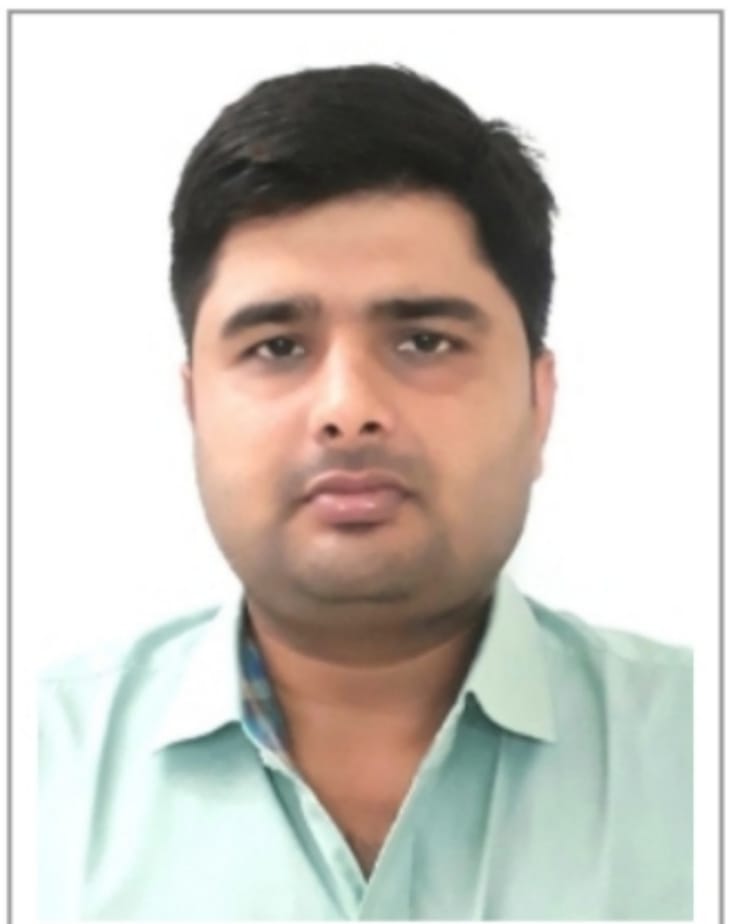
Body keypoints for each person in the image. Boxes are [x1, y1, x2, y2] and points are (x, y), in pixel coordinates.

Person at [38, 64, 692, 921]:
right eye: (278, 347)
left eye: (424, 341)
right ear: (195, 407)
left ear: (539, 403)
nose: (348, 410)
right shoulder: (38, 774)